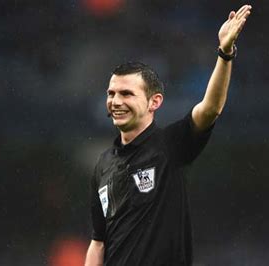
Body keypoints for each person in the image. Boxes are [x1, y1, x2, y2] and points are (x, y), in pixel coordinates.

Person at [85, 4, 252, 266]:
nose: (116, 101)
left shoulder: (169, 145)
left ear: (155, 102)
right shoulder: (103, 165)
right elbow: (99, 242)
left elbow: (210, 109)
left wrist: (225, 53)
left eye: (127, 94)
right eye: (111, 93)